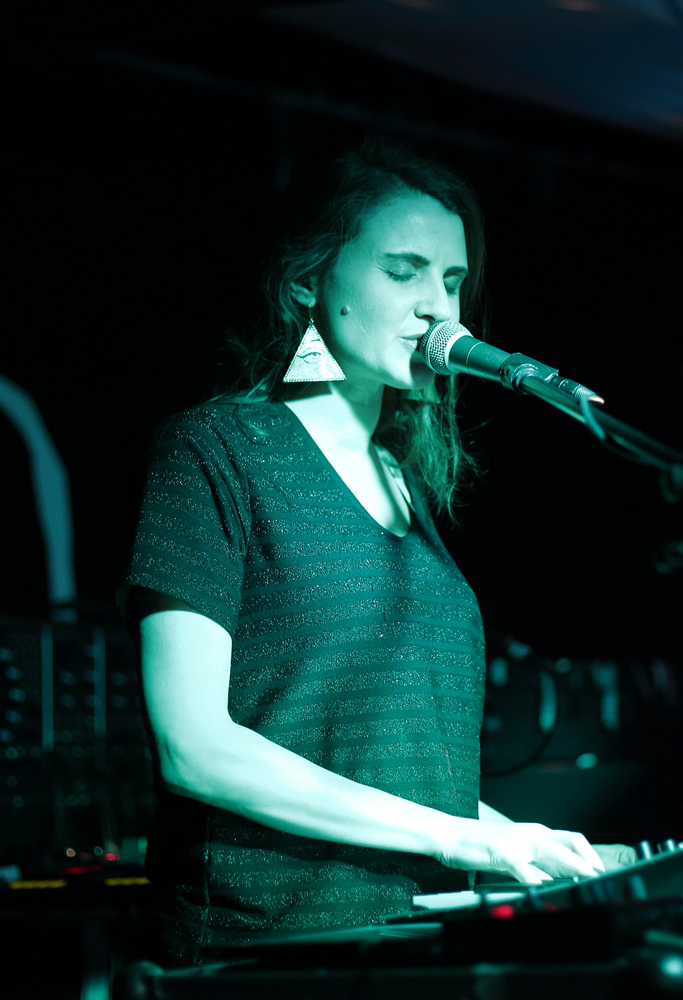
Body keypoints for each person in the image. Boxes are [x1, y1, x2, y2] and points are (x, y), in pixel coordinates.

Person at [122, 140, 634, 967]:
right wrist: (462, 837)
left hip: (412, 941)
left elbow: (397, 775)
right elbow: (196, 749)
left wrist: (521, 841)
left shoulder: (404, 481)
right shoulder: (217, 450)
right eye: (403, 272)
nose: (439, 308)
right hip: (261, 952)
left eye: (453, 281)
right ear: (307, 282)